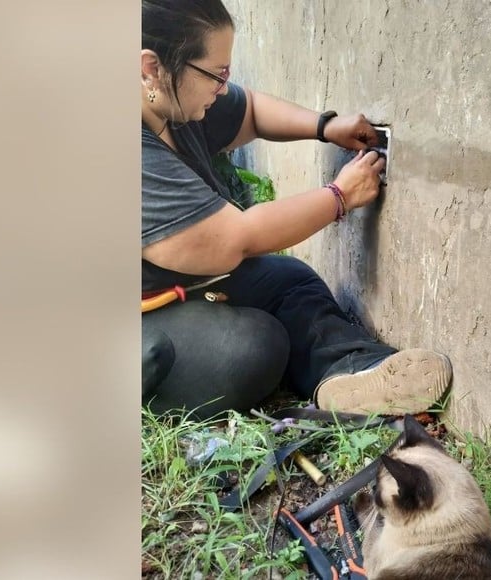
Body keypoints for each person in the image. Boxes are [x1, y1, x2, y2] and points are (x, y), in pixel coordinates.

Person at [141, 0, 451, 420]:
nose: (223, 87)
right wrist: (339, 197)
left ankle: (349, 369)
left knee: (289, 280)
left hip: (180, 283)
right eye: (216, 74)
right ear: (152, 68)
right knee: (251, 348)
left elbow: (250, 110)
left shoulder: (174, 102)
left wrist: (325, 127)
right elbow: (231, 241)